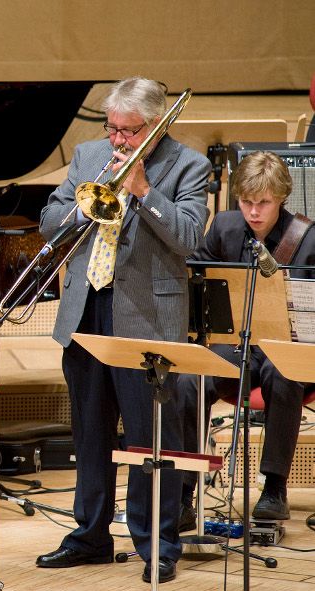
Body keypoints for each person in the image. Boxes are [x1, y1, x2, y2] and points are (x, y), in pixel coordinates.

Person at [35, 77, 211, 583]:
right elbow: (49, 220)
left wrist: (145, 192)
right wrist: (82, 208)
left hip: (148, 319)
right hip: (87, 309)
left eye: (128, 132)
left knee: (151, 439)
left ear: (154, 127)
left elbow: (188, 237)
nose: (117, 140)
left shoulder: (188, 165)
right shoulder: (90, 154)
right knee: (89, 432)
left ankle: (157, 544)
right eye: (112, 128)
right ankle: (89, 535)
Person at [178, 151, 315, 526]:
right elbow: (198, 276)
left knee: (282, 372)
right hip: (234, 344)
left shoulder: (307, 238)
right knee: (190, 379)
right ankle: (185, 492)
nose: (254, 212)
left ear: (282, 198)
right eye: (246, 202)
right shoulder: (224, 226)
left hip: (287, 348)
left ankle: (274, 486)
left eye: (264, 203)